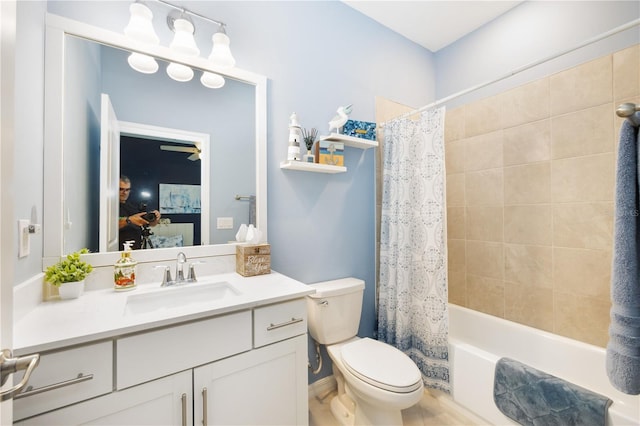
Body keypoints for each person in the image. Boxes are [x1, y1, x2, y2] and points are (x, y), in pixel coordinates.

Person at [119, 175, 161, 250]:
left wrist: (156, 219)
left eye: (127, 190)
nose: (124, 193)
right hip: (120, 247)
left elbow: (149, 223)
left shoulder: (133, 205)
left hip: (136, 245)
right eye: (121, 189)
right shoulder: (111, 208)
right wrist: (129, 220)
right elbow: (111, 225)